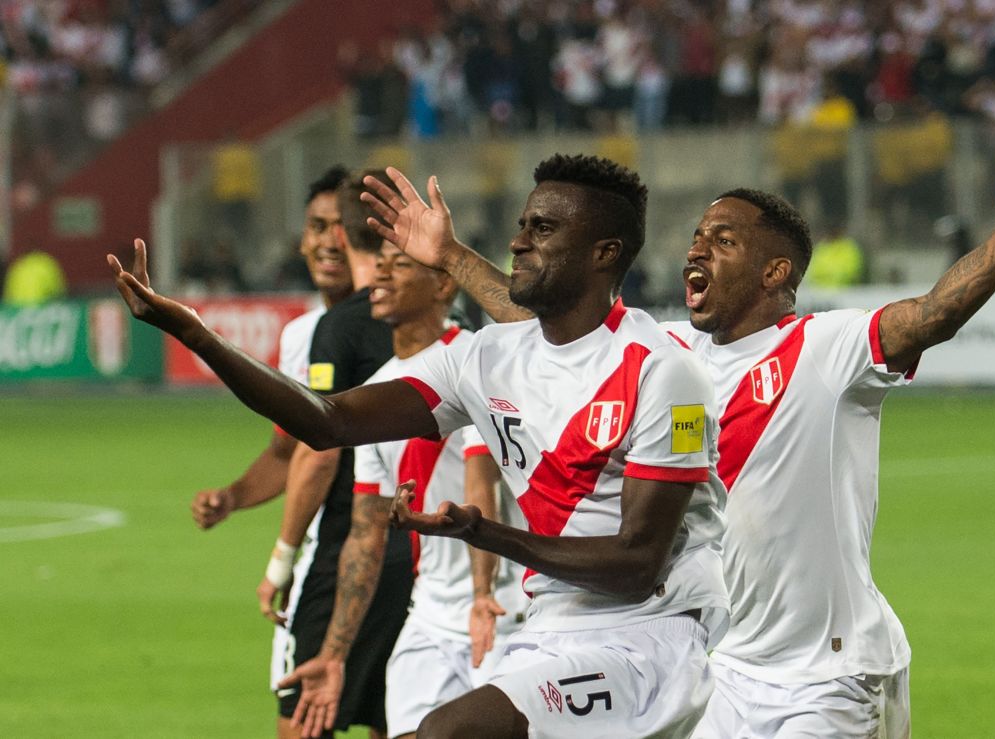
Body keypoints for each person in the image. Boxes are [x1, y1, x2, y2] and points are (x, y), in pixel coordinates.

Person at [373, 127, 995, 739]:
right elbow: (537, 323)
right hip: (724, 671)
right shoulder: (670, 359)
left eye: (722, 241)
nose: (697, 250)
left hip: (831, 677)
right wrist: (452, 255)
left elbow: (932, 313)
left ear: (775, 271)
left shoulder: (826, 348)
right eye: (697, 238)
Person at [108, 153, 728, 739]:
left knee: (447, 732)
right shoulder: (483, 358)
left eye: (542, 228)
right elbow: (328, 421)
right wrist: (195, 333)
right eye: (521, 225)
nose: (517, 241)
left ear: (604, 253)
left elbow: (636, 565)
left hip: (653, 636)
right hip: (550, 631)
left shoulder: (662, 373)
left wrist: (480, 532)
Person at [281, 238, 529, 739]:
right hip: (432, 616)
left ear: (442, 283)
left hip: (505, 614)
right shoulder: (378, 394)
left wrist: (482, 595)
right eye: (380, 266)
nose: (381, 277)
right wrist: (333, 655)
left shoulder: (476, 363)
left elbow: (482, 483)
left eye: (400, 265)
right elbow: (366, 533)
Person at [186, 165, 356, 736]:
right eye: (316, 226)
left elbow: (322, 452)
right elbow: (289, 451)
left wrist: (280, 558)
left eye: (341, 226)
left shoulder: (404, 326)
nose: (327, 241)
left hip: (373, 553)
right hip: (338, 554)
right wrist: (233, 496)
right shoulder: (303, 335)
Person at [257, 170, 409, 739]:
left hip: (349, 546)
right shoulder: (445, 325)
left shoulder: (335, 330)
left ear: (345, 237)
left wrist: (281, 559)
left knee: (303, 718)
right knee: (397, 716)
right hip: (427, 548)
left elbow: (318, 449)